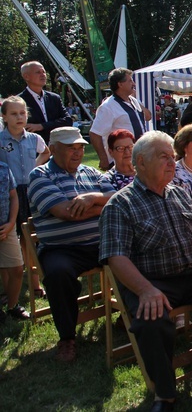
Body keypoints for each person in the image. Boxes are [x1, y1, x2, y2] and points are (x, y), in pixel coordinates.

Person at [99, 131, 192, 412]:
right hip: (151, 281)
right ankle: (165, 393)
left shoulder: (179, 194)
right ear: (141, 162)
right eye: (162, 156)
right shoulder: (119, 205)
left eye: (171, 156)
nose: (172, 161)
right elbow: (116, 257)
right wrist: (146, 290)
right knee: (151, 318)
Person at [28, 127, 116, 361]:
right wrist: (101, 206)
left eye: (80, 148)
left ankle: (137, 315)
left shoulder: (91, 172)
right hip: (61, 248)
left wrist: (91, 198)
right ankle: (67, 338)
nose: (77, 153)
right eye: (71, 148)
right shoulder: (39, 176)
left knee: (138, 254)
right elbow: (66, 212)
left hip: (100, 243)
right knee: (58, 274)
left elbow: (117, 200)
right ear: (53, 149)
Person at [0, 96, 50, 299]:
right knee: (8, 237)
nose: (19, 117)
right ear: (4, 117)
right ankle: (7, 287)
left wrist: (34, 167)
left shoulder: (34, 138)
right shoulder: (1, 140)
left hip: (29, 191)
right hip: (8, 195)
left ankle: (35, 283)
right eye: (13, 114)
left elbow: (45, 153)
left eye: (22, 113)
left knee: (30, 239)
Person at [90, 68, 151, 171]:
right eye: (130, 81)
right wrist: (103, 158)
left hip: (139, 158)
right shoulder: (108, 106)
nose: (134, 83)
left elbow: (148, 116)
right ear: (120, 84)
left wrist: (136, 100)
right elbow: (95, 134)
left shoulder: (134, 101)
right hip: (121, 160)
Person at [0, 158, 27, 323]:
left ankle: (12, 306)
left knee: (17, 269)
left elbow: (13, 197)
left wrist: (11, 224)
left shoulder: (3, 168)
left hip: (6, 227)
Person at [18, 61, 73, 143]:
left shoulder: (54, 98)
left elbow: (68, 120)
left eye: (43, 71)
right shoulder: (19, 102)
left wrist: (42, 126)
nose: (43, 74)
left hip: (56, 148)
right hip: (32, 149)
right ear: (26, 77)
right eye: (38, 72)